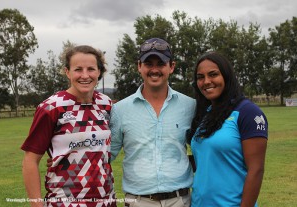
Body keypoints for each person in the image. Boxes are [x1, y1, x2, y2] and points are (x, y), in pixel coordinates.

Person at [21, 45, 116, 207]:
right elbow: (30, 161)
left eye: (91, 69)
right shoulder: (51, 107)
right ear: (67, 72)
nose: (85, 75)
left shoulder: (106, 104)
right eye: (78, 69)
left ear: (99, 72)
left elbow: (104, 151)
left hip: (106, 201)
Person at [109, 38, 196, 207]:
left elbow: (205, 149)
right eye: (148, 63)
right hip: (138, 201)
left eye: (161, 63)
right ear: (139, 66)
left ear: (171, 66)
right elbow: (106, 156)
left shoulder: (190, 106)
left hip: (180, 200)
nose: (154, 70)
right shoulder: (119, 110)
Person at [188, 51, 268, 207]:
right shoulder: (205, 113)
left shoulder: (248, 112)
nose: (206, 81)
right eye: (200, 77)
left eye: (213, 75)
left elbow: (256, 170)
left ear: (226, 76)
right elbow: (206, 158)